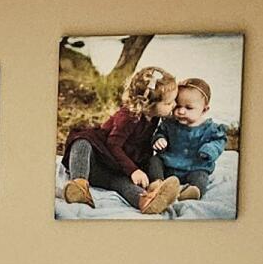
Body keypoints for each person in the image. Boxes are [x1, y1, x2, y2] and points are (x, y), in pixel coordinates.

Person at [59, 65, 179, 214]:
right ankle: (79, 184)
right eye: (169, 103)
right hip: (99, 159)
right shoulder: (128, 117)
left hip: (117, 168)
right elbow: (112, 144)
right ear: (148, 104)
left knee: (122, 183)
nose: (174, 105)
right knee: (82, 142)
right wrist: (133, 170)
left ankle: (147, 200)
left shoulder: (154, 116)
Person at [139, 76, 229, 210]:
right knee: (154, 160)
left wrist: (210, 149)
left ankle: (192, 191)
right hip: (170, 163)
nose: (181, 111)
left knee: (201, 175)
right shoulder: (170, 124)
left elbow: (219, 141)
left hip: (194, 166)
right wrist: (159, 139)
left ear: (204, 109)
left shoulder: (211, 129)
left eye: (188, 108)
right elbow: (160, 132)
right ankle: (157, 183)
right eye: (178, 106)